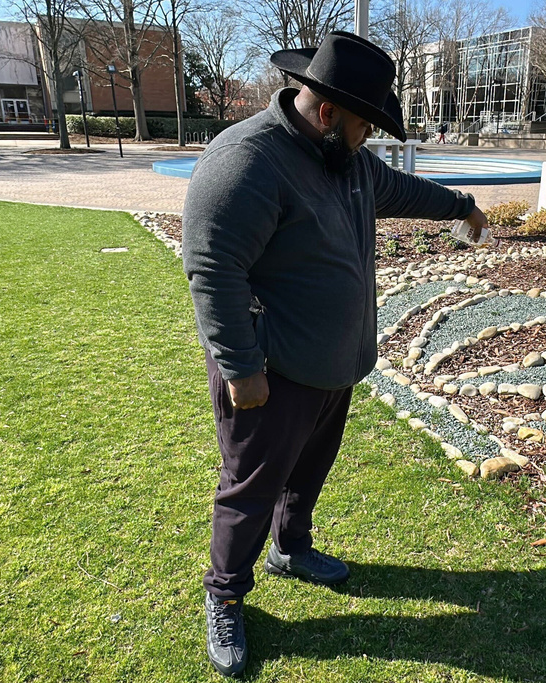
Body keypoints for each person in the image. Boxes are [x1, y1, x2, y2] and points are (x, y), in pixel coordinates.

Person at [181, 31, 490, 678]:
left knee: (307, 474)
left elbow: (401, 190)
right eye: (364, 126)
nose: (368, 139)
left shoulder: (346, 161)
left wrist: (461, 205)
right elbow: (212, 269)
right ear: (327, 112)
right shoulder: (246, 162)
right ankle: (226, 594)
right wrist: (240, 367)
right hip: (269, 373)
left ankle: (291, 548)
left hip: (332, 368)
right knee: (249, 489)